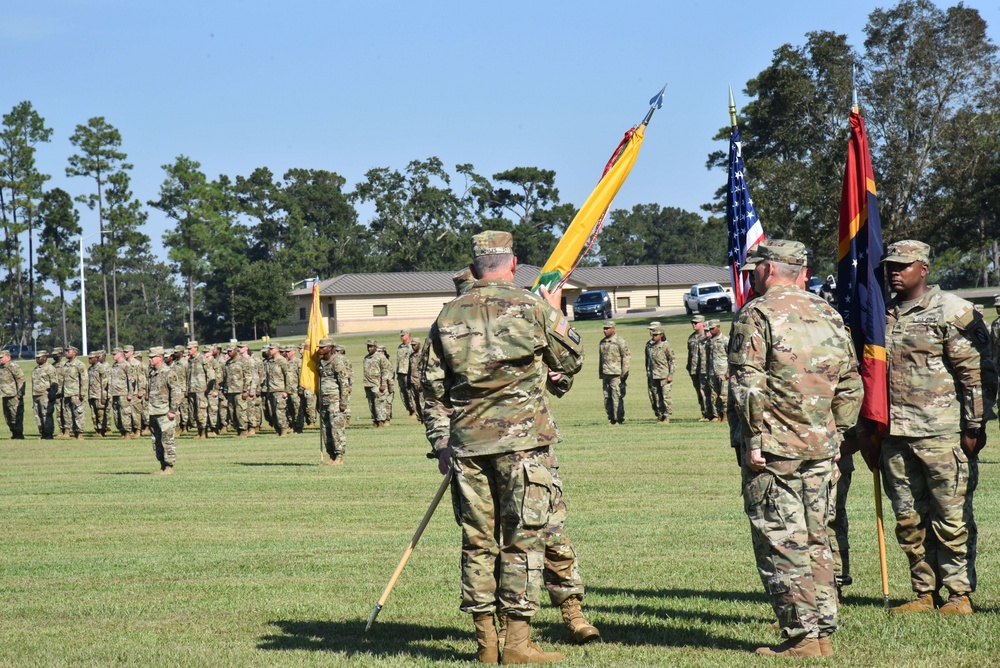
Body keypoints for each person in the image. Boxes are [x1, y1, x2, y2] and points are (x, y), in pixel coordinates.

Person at [423, 231, 596, 664]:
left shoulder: (446, 315)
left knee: (478, 543)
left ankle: (486, 645)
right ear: (513, 264)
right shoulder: (530, 307)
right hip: (523, 446)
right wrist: (556, 314)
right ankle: (517, 644)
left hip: (467, 448)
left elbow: (429, 389)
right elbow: (571, 360)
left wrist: (442, 441)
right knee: (523, 541)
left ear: (476, 266)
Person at [730, 240, 863, 657]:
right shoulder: (828, 313)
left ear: (770, 270)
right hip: (821, 446)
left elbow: (747, 384)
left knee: (782, 540)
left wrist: (754, 439)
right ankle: (822, 631)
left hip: (774, 448)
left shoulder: (757, 313)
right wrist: (837, 433)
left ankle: (803, 637)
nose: (751, 274)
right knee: (816, 537)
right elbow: (850, 382)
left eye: (755, 268)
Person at [872, 240, 997, 615]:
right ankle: (924, 592)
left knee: (951, 516)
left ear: (923, 268)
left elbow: (976, 374)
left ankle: (958, 595)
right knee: (909, 519)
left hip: (943, 433)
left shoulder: (952, 311)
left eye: (903, 266)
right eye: (890, 266)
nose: (895, 271)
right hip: (896, 435)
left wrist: (974, 425)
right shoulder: (884, 314)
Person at [147, 346, 183, 474]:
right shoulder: (151, 373)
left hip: (165, 412)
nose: (150, 359)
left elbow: (176, 392)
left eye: (152, 357)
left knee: (167, 440)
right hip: (153, 411)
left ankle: (169, 466)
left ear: (160, 358)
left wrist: (173, 410)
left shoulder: (169, 373)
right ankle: (162, 465)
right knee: (156, 441)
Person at [316, 337, 351, 465]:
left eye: (323, 347)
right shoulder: (320, 363)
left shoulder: (337, 362)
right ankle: (331, 455)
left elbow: (344, 383)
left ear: (330, 348)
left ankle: (339, 456)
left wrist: (343, 402)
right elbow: (319, 383)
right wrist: (318, 401)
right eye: (319, 347)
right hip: (324, 400)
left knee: (337, 429)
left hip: (335, 400)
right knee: (326, 429)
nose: (320, 349)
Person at [598, 319, 630, 425]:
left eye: (607, 328)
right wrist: (600, 373)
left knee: (617, 397)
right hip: (606, 373)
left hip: (616, 374)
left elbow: (626, 357)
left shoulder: (620, 341)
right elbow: (601, 359)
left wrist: (624, 373)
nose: (605, 331)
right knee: (607, 397)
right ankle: (611, 418)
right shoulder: (602, 342)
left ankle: (618, 418)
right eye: (604, 328)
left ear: (613, 329)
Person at [644, 322, 675, 423]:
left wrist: (670, 375)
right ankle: (659, 415)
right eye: (653, 334)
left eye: (655, 334)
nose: (653, 336)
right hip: (652, 375)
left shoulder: (666, 345)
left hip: (663, 375)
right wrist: (648, 373)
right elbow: (647, 361)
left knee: (665, 397)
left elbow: (672, 361)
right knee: (655, 397)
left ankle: (667, 416)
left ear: (661, 335)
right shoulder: (649, 345)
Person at [223, 343, 251, 437]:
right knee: (232, 412)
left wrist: (245, 390)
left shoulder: (243, 361)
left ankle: (243, 430)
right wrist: (225, 390)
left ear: (235, 351)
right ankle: (237, 429)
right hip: (230, 391)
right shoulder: (228, 363)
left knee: (241, 411)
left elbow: (248, 376)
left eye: (230, 351)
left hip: (240, 391)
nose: (229, 353)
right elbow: (226, 377)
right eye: (228, 352)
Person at [704, 319, 729, 422]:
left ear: (718, 327)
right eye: (709, 329)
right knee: (714, 395)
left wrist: (729, 371)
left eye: (712, 328)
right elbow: (707, 358)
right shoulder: (709, 342)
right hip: (712, 372)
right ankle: (717, 415)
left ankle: (725, 415)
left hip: (723, 372)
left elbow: (731, 356)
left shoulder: (725, 340)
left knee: (724, 395)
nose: (710, 331)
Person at [62, 345, 89, 440]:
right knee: (69, 415)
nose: (66, 353)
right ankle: (74, 433)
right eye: (66, 351)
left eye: (68, 351)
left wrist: (83, 393)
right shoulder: (66, 365)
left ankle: (80, 433)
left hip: (76, 394)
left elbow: (84, 379)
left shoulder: (79, 364)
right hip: (67, 393)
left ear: (74, 353)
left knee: (78, 414)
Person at [108, 348, 135, 438]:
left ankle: (127, 432)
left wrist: (130, 394)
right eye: (113, 354)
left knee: (125, 414)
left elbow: (131, 380)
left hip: (123, 393)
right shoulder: (114, 365)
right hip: (114, 394)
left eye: (115, 354)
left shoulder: (126, 365)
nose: (113, 356)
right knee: (116, 414)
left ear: (120, 354)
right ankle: (122, 432)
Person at [0, 348, 26, 439]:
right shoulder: (1, 368)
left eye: (1, 357)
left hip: (14, 396)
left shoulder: (13, 366)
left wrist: (19, 393)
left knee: (16, 415)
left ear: (8, 357)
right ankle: (13, 433)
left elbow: (20, 380)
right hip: (4, 395)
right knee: (7, 416)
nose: (0, 359)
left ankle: (19, 433)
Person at [686, 315, 709, 419]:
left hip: (705, 369)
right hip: (694, 370)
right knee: (699, 392)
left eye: (696, 323)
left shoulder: (707, 336)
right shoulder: (691, 338)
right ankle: (704, 413)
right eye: (693, 323)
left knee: (706, 392)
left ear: (702, 323)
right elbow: (690, 353)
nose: (694, 325)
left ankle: (711, 413)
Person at [363, 340, 390, 427]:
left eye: (371, 346)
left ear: (375, 347)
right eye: (368, 346)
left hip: (377, 384)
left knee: (379, 404)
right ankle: (375, 421)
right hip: (368, 384)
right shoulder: (366, 358)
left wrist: (383, 384)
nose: (369, 348)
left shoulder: (380, 357)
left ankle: (381, 421)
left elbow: (385, 371)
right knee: (371, 404)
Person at [31, 350, 56, 439]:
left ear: (45, 358)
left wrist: (52, 394)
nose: (37, 359)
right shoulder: (36, 369)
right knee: (37, 415)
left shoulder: (50, 368)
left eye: (39, 357)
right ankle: (42, 432)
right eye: (36, 358)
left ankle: (49, 433)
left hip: (45, 395)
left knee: (46, 414)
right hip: (36, 395)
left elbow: (54, 382)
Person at [87, 350, 110, 437]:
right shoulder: (90, 369)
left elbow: (104, 383)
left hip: (99, 395)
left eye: (91, 358)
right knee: (93, 414)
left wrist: (103, 396)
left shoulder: (101, 368)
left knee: (100, 414)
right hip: (91, 394)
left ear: (96, 358)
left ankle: (102, 430)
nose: (89, 360)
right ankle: (96, 430)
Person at [396, 330, 415, 416]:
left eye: (403, 335)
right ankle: (409, 410)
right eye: (401, 336)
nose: (402, 337)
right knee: (403, 393)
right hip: (401, 372)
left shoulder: (412, 346)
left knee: (410, 392)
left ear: (408, 335)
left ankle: (414, 410)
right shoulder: (400, 347)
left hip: (408, 373)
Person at [407, 339, 424, 423]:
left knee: (422, 402)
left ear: (419, 344)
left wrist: (422, 382)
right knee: (414, 402)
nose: (413, 347)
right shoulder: (411, 356)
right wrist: (408, 381)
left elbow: (425, 370)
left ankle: (425, 419)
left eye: (414, 345)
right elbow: (409, 369)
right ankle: (419, 419)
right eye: (412, 345)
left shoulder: (423, 355)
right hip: (412, 381)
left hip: (420, 382)